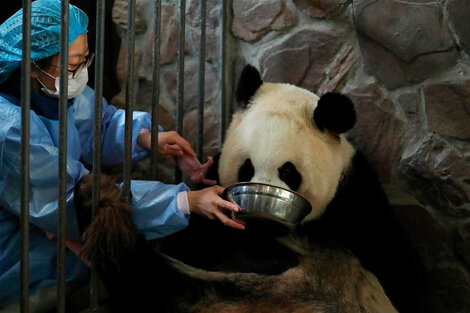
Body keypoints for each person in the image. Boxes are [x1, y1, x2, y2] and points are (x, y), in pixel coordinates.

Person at [0, 0, 244, 311]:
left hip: (44, 223)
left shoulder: (52, 89)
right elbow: (76, 200)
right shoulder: (9, 128)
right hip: (13, 253)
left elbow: (99, 123)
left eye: (85, 60)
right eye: (73, 65)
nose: (80, 74)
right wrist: (183, 202)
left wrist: (145, 137)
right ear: (32, 64)